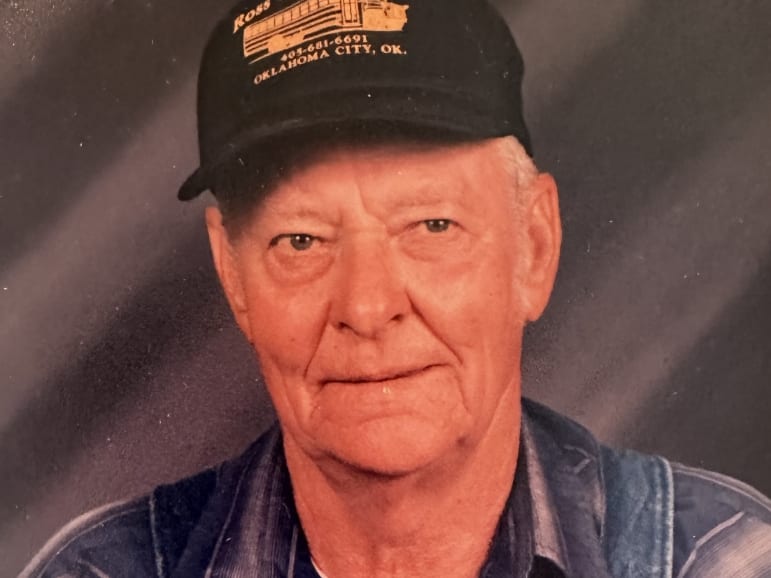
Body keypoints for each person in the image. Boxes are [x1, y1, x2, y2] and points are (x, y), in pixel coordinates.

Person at [21, 0, 771, 577]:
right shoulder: (100, 571)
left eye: (432, 226)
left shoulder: (720, 560)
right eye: (301, 240)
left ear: (534, 248)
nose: (367, 306)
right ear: (234, 276)